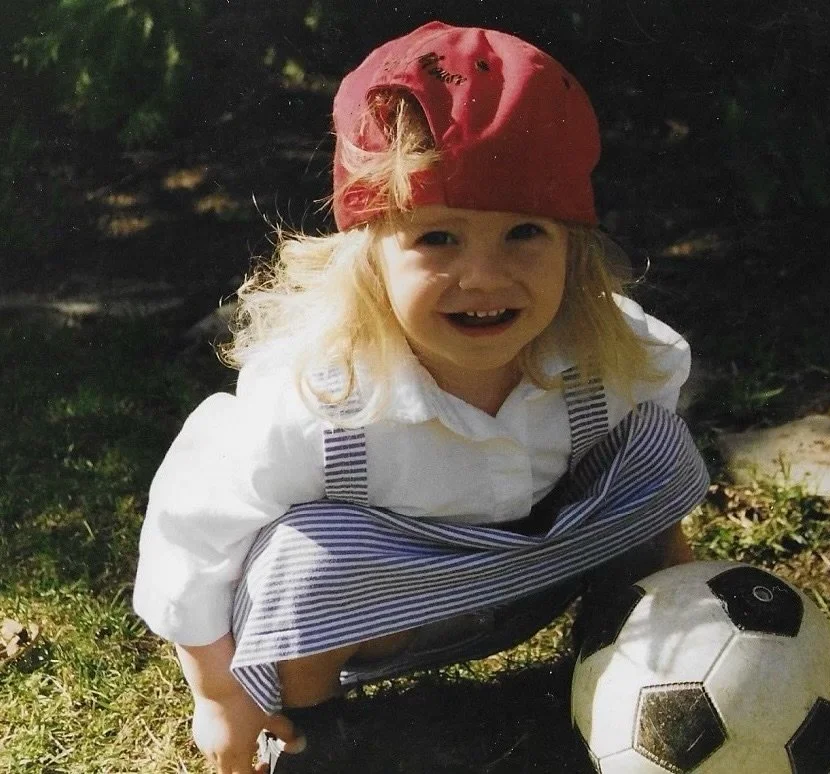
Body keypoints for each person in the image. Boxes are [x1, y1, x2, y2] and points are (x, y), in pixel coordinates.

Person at [133, 21, 709, 774]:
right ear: (368, 260)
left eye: (524, 233)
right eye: (438, 239)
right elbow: (190, 530)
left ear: (575, 253)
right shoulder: (318, 397)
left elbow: (651, 484)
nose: (484, 277)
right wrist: (216, 693)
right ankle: (314, 731)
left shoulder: (604, 354)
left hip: (540, 576)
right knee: (301, 558)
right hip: (382, 620)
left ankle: (654, 637)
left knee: (654, 450)